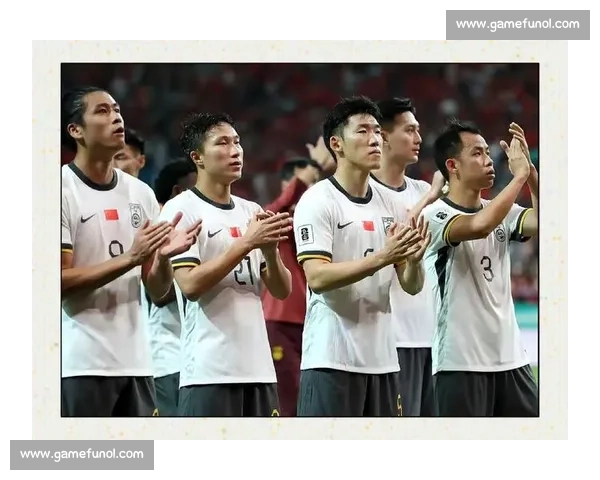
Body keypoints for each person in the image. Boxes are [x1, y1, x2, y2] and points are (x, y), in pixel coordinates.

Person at [60, 86, 201, 417]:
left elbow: (156, 289)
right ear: (76, 130)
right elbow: (59, 282)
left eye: (117, 110)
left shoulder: (141, 193)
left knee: (140, 452)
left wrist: (163, 258)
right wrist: (130, 258)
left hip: (138, 364)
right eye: (102, 111)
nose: (116, 118)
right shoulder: (59, 190)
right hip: (82, 364)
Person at [293, 96, 431, 417]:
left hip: (384, 361)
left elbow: (411, 285)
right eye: (363, 131)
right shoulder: (318, 200)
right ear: (336, 144)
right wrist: (382, 258)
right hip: (331, 360)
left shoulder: (391, 203)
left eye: (377, 131)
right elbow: (317, 276)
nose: (374, 139)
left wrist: (414, 262)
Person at [159, 112, 293, 417]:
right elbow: (190, 285)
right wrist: (245, 243)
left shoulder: (251, 210)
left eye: (237, 142)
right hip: (209, 372)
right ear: (198, 157)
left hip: (259, 369)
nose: (235, 151)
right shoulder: (181, 209)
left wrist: (270, 253)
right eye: (222, 143)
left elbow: (281, 290)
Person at [421, 119, 539, 417]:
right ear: (453, 165)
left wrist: (532, 176)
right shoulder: (433, 215)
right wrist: (519, 178)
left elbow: (546, 222)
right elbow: (479, 226)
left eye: (487, 152)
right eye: (477, 153)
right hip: (460, 364)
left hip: (512, 359)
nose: (488, 160)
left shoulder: (501, 211)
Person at [370, 97, 445, 416]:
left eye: (418, 130)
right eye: (410, 130)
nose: (418, 138)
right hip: (390, 340)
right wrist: (431, 197)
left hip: (429, 338)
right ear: (384, 137)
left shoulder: (421, 189)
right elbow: (395, 239)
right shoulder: (363, 192)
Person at [261, 156, 327, 417]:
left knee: (309, 394)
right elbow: (272, 211)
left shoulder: (313, 222)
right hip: (280, 320)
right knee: (287, 395)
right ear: (287, 185)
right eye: (307, 183)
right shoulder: (274, 221)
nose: (312, 188)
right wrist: (304, 178)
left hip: (312, 319)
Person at [141, 159, 198, 416]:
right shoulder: (157, 229)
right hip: (169, 357)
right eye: (196, 187)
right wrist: (197, 276)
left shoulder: (197, 225)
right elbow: (159, 295)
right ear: (178, 191)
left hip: (199, 359)